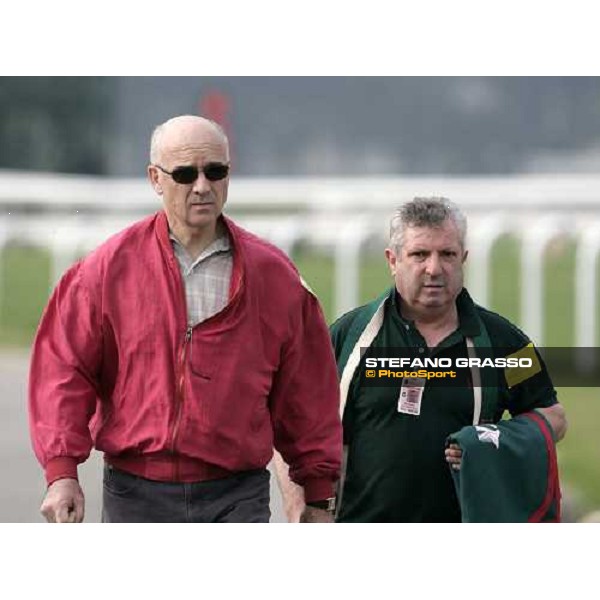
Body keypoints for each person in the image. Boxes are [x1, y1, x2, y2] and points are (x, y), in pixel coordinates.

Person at [29, 115, 342, 523]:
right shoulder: (106, 270)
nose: (202, 186)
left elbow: (307, 389)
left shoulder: (276, 276)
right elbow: (64, 369)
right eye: (184, 174)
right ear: (155, 179)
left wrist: (317, 494)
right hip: (134, 494)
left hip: (237, 494)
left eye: (215, 171)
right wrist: (61, 473)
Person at [275, 197, 567, 522]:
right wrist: (299, 505)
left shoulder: (505, 343)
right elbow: (288, 420)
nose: (434, 268)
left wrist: (490, 441)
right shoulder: (348, 335)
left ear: (463, 259)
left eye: (447, 254)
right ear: (392, 260)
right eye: (419, 254)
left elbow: (552, 417)